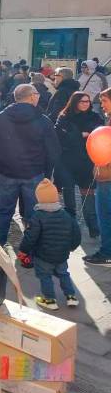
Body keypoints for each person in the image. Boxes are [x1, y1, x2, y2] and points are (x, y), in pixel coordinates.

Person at [0, 84, 61, 246]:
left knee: (3, 211)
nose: (39, 96)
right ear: (32, 96)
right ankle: (30, 251)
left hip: (8, 173)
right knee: (34, 214)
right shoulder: (43, 120)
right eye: (37, 94)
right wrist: (47, 174)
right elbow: (53, 151)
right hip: (33, 173)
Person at [18, 179, 81, 311]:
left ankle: (50, 300)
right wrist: (72, 247)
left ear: (39, 199)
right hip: (62, 254)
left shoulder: (37, 216)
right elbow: (76, 233)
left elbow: (30, 237)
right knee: (64, 274)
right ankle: (71, 297)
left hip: (43, 255)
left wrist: (23, 251)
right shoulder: (66, 215)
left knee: (44, 276)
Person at [54, 91, 104, 237]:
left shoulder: (95, 117)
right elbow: (59, 136)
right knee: (68, 196)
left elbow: (98, 134)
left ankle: (93, 228)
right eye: (82, 101)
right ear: (75, 102)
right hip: (66, 162)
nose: (86, 104)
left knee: (88, 196)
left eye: (87, 101)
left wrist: (76, 135)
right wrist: (80, 135)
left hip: (87, 162)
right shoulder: (64, 116)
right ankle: (71, 228)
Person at [86, 88, 111, 266]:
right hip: (105, 174)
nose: (101, 104)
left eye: (105, 101)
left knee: (104, 214)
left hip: (107, 176)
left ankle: (106, 252)